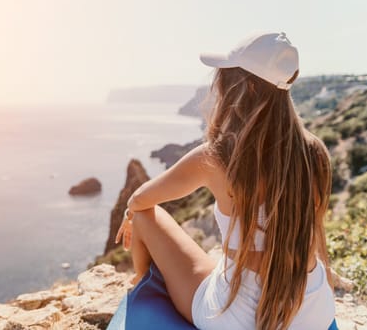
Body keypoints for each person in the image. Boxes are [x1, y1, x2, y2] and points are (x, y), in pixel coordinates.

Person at [115, 32, 337, 329]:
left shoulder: (217, 157)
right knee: (219, 268)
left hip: (238, 320)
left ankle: (144, 296)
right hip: (313, 311)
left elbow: (141, 199)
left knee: (143, 215)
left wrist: (130, 215)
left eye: (225, 77)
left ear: (246, 87)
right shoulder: (316, 153)